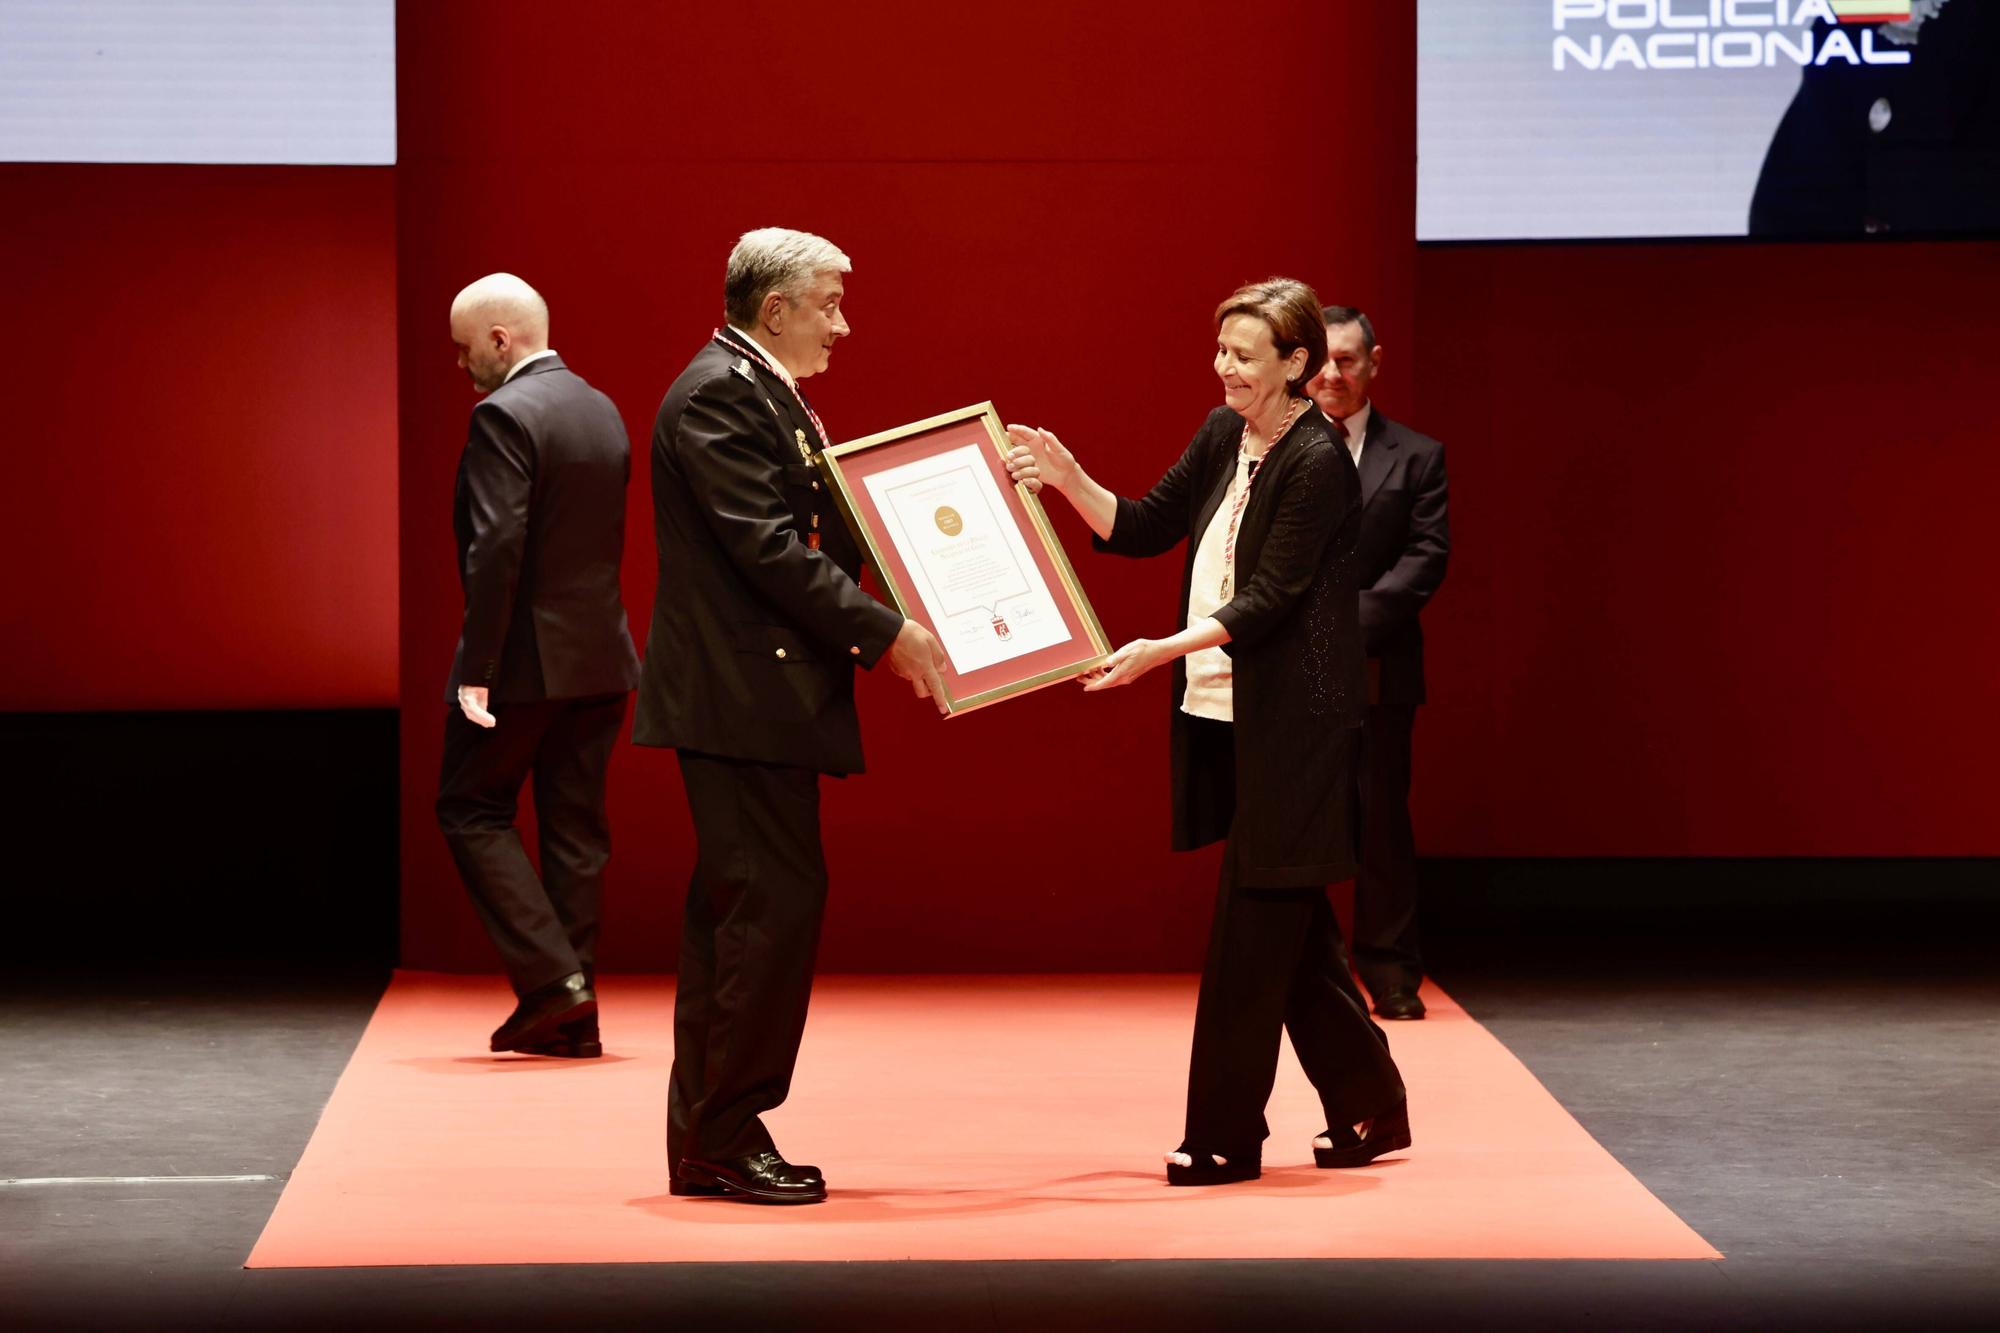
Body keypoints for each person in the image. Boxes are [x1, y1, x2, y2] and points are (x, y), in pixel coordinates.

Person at [1009, 277, 1408, 1186]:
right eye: (1220, 349)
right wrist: (1070, 481)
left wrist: (1156, 650)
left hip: (1296, 726)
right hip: (1220, 713)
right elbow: (1146, 524)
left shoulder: (1317, 460)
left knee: (1248, 932)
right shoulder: (1224, 432)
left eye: (1243, 353)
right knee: (1289, 921)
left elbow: (1268, 602)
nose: (1224, 366)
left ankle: (1225, 1135)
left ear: (1296, 364)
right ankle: (1371, 1098)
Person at [634, 228, 959, 1205]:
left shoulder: (749, 385)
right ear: (775, 308)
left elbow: (818, 521)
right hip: (741, 701)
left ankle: (712, 1132)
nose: (842, 323)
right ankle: (722, 1136)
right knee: (763, 919)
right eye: (829, 303)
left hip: (753, 697)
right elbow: (769, 549)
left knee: (747, 918)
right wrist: (887, 632)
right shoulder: (723, 392)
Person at [435, 273, 642, 1059]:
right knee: (576, 833)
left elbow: (497, 551)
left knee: (469, 806)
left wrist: (475, 668)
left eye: (464, 350)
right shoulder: (601, 408)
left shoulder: (500, 415)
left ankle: (553, 983)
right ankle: (574, 1012)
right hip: (602, 657)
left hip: (523, 662)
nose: (461, 367)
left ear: (499, 339)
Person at [1306, 306, 1450, 1021]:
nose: (1334, 375)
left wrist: (1345, 623)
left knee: (1381, 818)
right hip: (1289, 662)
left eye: (1349, 361)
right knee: (1299, 819)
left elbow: (1427, 557)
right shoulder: (1268, 447)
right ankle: (1311, 972)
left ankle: (1390, 971)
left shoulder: (1418, 454)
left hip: (1379, 661)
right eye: (1323, 361)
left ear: (1374, 362)